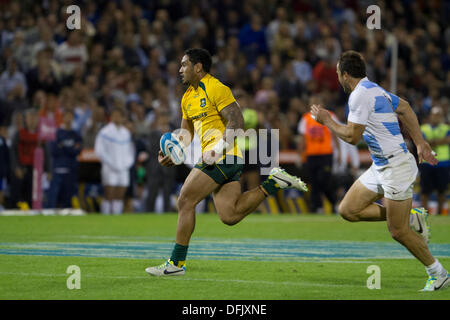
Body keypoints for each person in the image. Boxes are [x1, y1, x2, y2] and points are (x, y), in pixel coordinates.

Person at [145, 48, 307, 276]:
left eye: (184, 65)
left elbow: (237, 120)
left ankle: (176, 264)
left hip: (223, 155)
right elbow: (185, 135)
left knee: (185, 200)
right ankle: (274, 182)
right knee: (229, 215)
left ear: (198, 67)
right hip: (225, 159)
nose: (180, 69)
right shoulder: (187, 98)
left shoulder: (216, 87)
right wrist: (174, 155)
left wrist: (216, 150)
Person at [310, 50, 449, 292]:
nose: (337, 79)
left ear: (345, 75)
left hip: (397, 167)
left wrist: (327, 120)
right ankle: (412, 216)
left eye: (337, 74)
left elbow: (352, 136)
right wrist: (419, 142)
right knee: (348, 210)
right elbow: (404, 107)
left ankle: (439, 274)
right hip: (382, 165)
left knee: (398, 231)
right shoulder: (375, 89)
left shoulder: (360, 96)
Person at [298, 96, 340, 213]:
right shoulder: (305, 118)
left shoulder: (330, 115)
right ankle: (318, 207)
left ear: (322, 104)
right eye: (313, 102)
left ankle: (333, 201)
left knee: (324, 179)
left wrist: (339, 152)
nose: (316, 104)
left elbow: (336, 134)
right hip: (311, 155)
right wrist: (300, 155)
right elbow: (302, 139)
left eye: (318, 101)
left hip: (326, 154)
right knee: (314, 182)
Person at [94, 107, 134, 215]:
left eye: (119, 115)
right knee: (109, 195)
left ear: (123, 118)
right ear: (111, 117)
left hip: (123, 168)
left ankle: (116, 217)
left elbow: (130, 151)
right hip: (109, 168)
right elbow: (99, 151)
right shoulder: (104, 132)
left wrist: (127, 164)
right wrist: (110, 164)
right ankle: (105, 216)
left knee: (119, 195)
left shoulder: (126, 133)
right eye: (114, 115)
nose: (117, 117)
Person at [46, 109, 82, 209]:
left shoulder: (76, 134)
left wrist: (64, 146)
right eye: (67, 116)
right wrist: (70, 148)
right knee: (53, 196)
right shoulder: (57, 133)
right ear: (63, 118)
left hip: (71, 169)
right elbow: (54, 150)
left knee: (68, 196)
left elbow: (78, 151)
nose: (69, 119)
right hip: (57, 168)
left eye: (71, 117)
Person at [419, 106, 449, 215]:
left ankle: (440, 214)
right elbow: (422, 141)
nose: (436, 118)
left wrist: (430, 142)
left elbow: (448, 140)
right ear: (430, 116)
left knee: (442, 190)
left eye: (438, 115)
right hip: (427, 163)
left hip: (443, 163)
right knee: (425, 191)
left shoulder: (446, 128)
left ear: (441, 117)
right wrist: (441, 140)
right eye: (434, 115)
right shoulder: (423, 128)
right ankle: (423, 214)